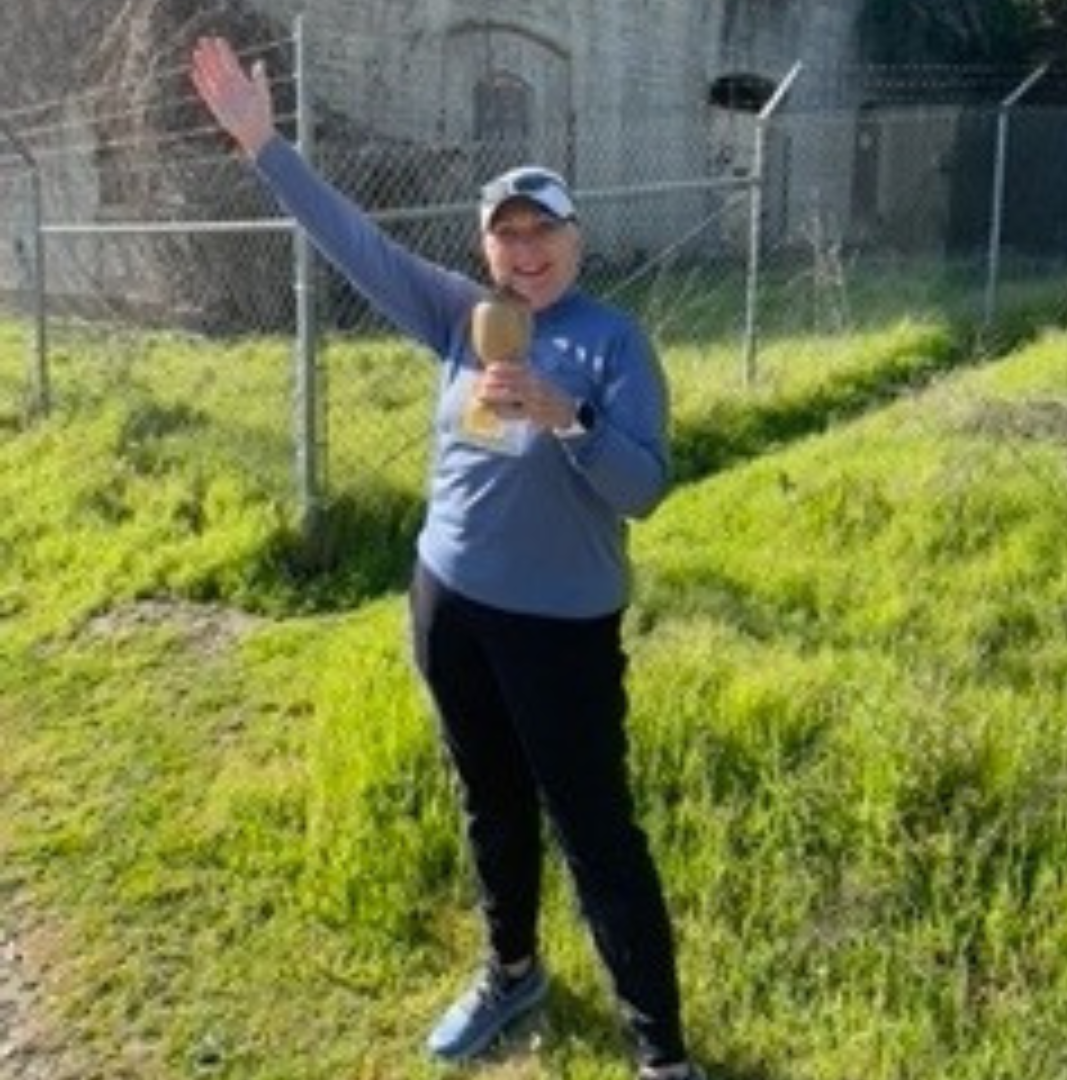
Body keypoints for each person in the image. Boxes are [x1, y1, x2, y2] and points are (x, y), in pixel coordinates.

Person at [190, 36, 705, 1080]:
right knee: (489, 802)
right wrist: (265, 148)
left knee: (596, 833)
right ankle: (511, 974)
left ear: (577, 236)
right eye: (506, 234)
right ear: (485, 251)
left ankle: (662, 1053)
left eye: (543, 229)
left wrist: (568, 418)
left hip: (560, 628)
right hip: (449, 604)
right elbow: (355, 245)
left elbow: (643, 490)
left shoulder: (612, 342)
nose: (526, 250)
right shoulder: (463, 320)